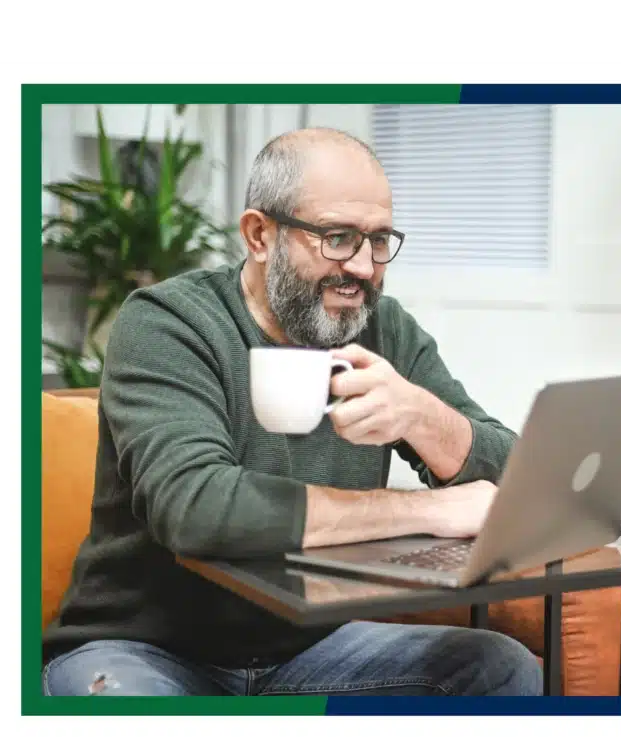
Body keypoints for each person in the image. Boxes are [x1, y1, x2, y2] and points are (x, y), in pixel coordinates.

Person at [41, 127, 544, 697]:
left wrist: (424, 417)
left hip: (310, 645)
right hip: (146, 648)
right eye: (337, 237)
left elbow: (520, 483)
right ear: (259, 234)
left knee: (499, 667)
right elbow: (196, 508)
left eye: (379, 241)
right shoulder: (167, 322)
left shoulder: (385, 330)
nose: (362, 267)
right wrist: (428, 508)